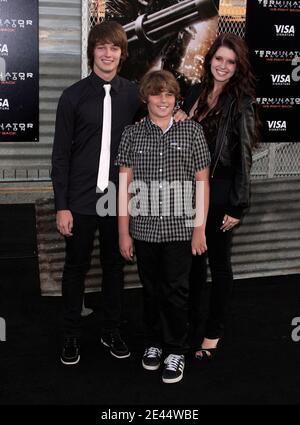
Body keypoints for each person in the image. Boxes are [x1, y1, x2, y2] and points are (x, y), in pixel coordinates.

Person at [51, 21, 141, 365]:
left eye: (114, 48)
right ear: (92, 51)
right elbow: (60, 156)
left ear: (123, 53)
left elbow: (162, 112)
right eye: (101, 47)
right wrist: (62, 205)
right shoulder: (72, 96)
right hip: (80, 199)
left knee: (114, 268)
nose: (108, 54)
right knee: (75, 267)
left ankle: (111, 329)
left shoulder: (134, 94)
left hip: (117, 200)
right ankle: (71, 335)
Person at [116, 70, 210, 383]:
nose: (163, 100)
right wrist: (123, 232)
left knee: (176, 291)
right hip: (143, 229)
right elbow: (125, 185)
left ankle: (175, 350)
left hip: (181, 229)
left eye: (169, 95)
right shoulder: (131, 134)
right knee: (151, 290)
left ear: (177, 99)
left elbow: (202, 183)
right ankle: (153, 344)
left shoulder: (192, 132)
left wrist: (199, 228)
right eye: (157, 94)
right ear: (146, 98)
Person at [175, 33, 259, 359]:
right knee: (193, 265)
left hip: (222, 192)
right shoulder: (196, 92)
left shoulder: (242, 103)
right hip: (190, 190)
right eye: (219, 59)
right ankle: (192, 326)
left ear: (237, 67)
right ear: (210, 59)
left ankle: (213, 331)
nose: (223, 66)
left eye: (230, 61)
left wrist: (238, 204)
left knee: (219, 264)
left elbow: (244, 159)